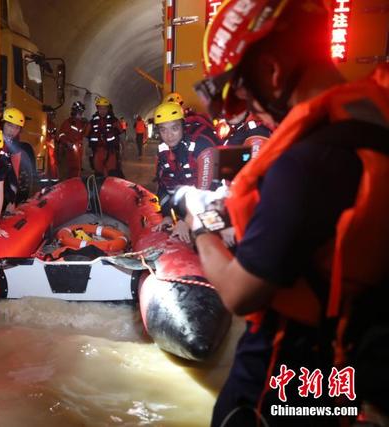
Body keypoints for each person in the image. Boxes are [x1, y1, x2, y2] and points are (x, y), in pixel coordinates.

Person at [181, 1, 389, 425]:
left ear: (273, 71)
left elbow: (240, 294)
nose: (251, 112)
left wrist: (199, 224)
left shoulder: (304, 164)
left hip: (284, 375)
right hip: (348, 363)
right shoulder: (373, 122)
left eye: (245, 96)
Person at [152, 101, 217, 242]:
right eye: (163, 130)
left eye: (174, 128)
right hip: (189, 207)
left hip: (215, 207)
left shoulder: (202, 147)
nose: (169, 135)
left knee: (214, 245)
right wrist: (167, 215)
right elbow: (164, 186)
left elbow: (208, 191)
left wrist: (186, 220)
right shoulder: (163, 151)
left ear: (183, 126)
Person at [1, 106, 36, 207]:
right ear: (3, 123)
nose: (12, 130)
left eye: (17, 127)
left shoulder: (18, 150)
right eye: (9, 125)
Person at [86, 97, 123, 176]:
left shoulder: (114, 120)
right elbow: (86, 135)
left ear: (108, 109)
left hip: (111, 151)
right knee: (98, 173)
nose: (102, 111)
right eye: (100, 108)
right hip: (97, 151)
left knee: (111, 173)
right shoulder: (92, 122)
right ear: (97, 108)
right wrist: (87, 149)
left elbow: (121, 133)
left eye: (104, 108)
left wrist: (122, 149)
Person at [57, 100, 88, 179]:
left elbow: (84, 134)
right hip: (69, 149)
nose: (81, 115)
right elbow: (61, 135)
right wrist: (67, 143)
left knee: (77, 168)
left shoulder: (82, 123)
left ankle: (75, 183)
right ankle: (70, 185)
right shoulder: (68, 123)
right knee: (71, 169)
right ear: (75, 112)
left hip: (78, 149)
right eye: (80, 113)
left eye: (81, 113)